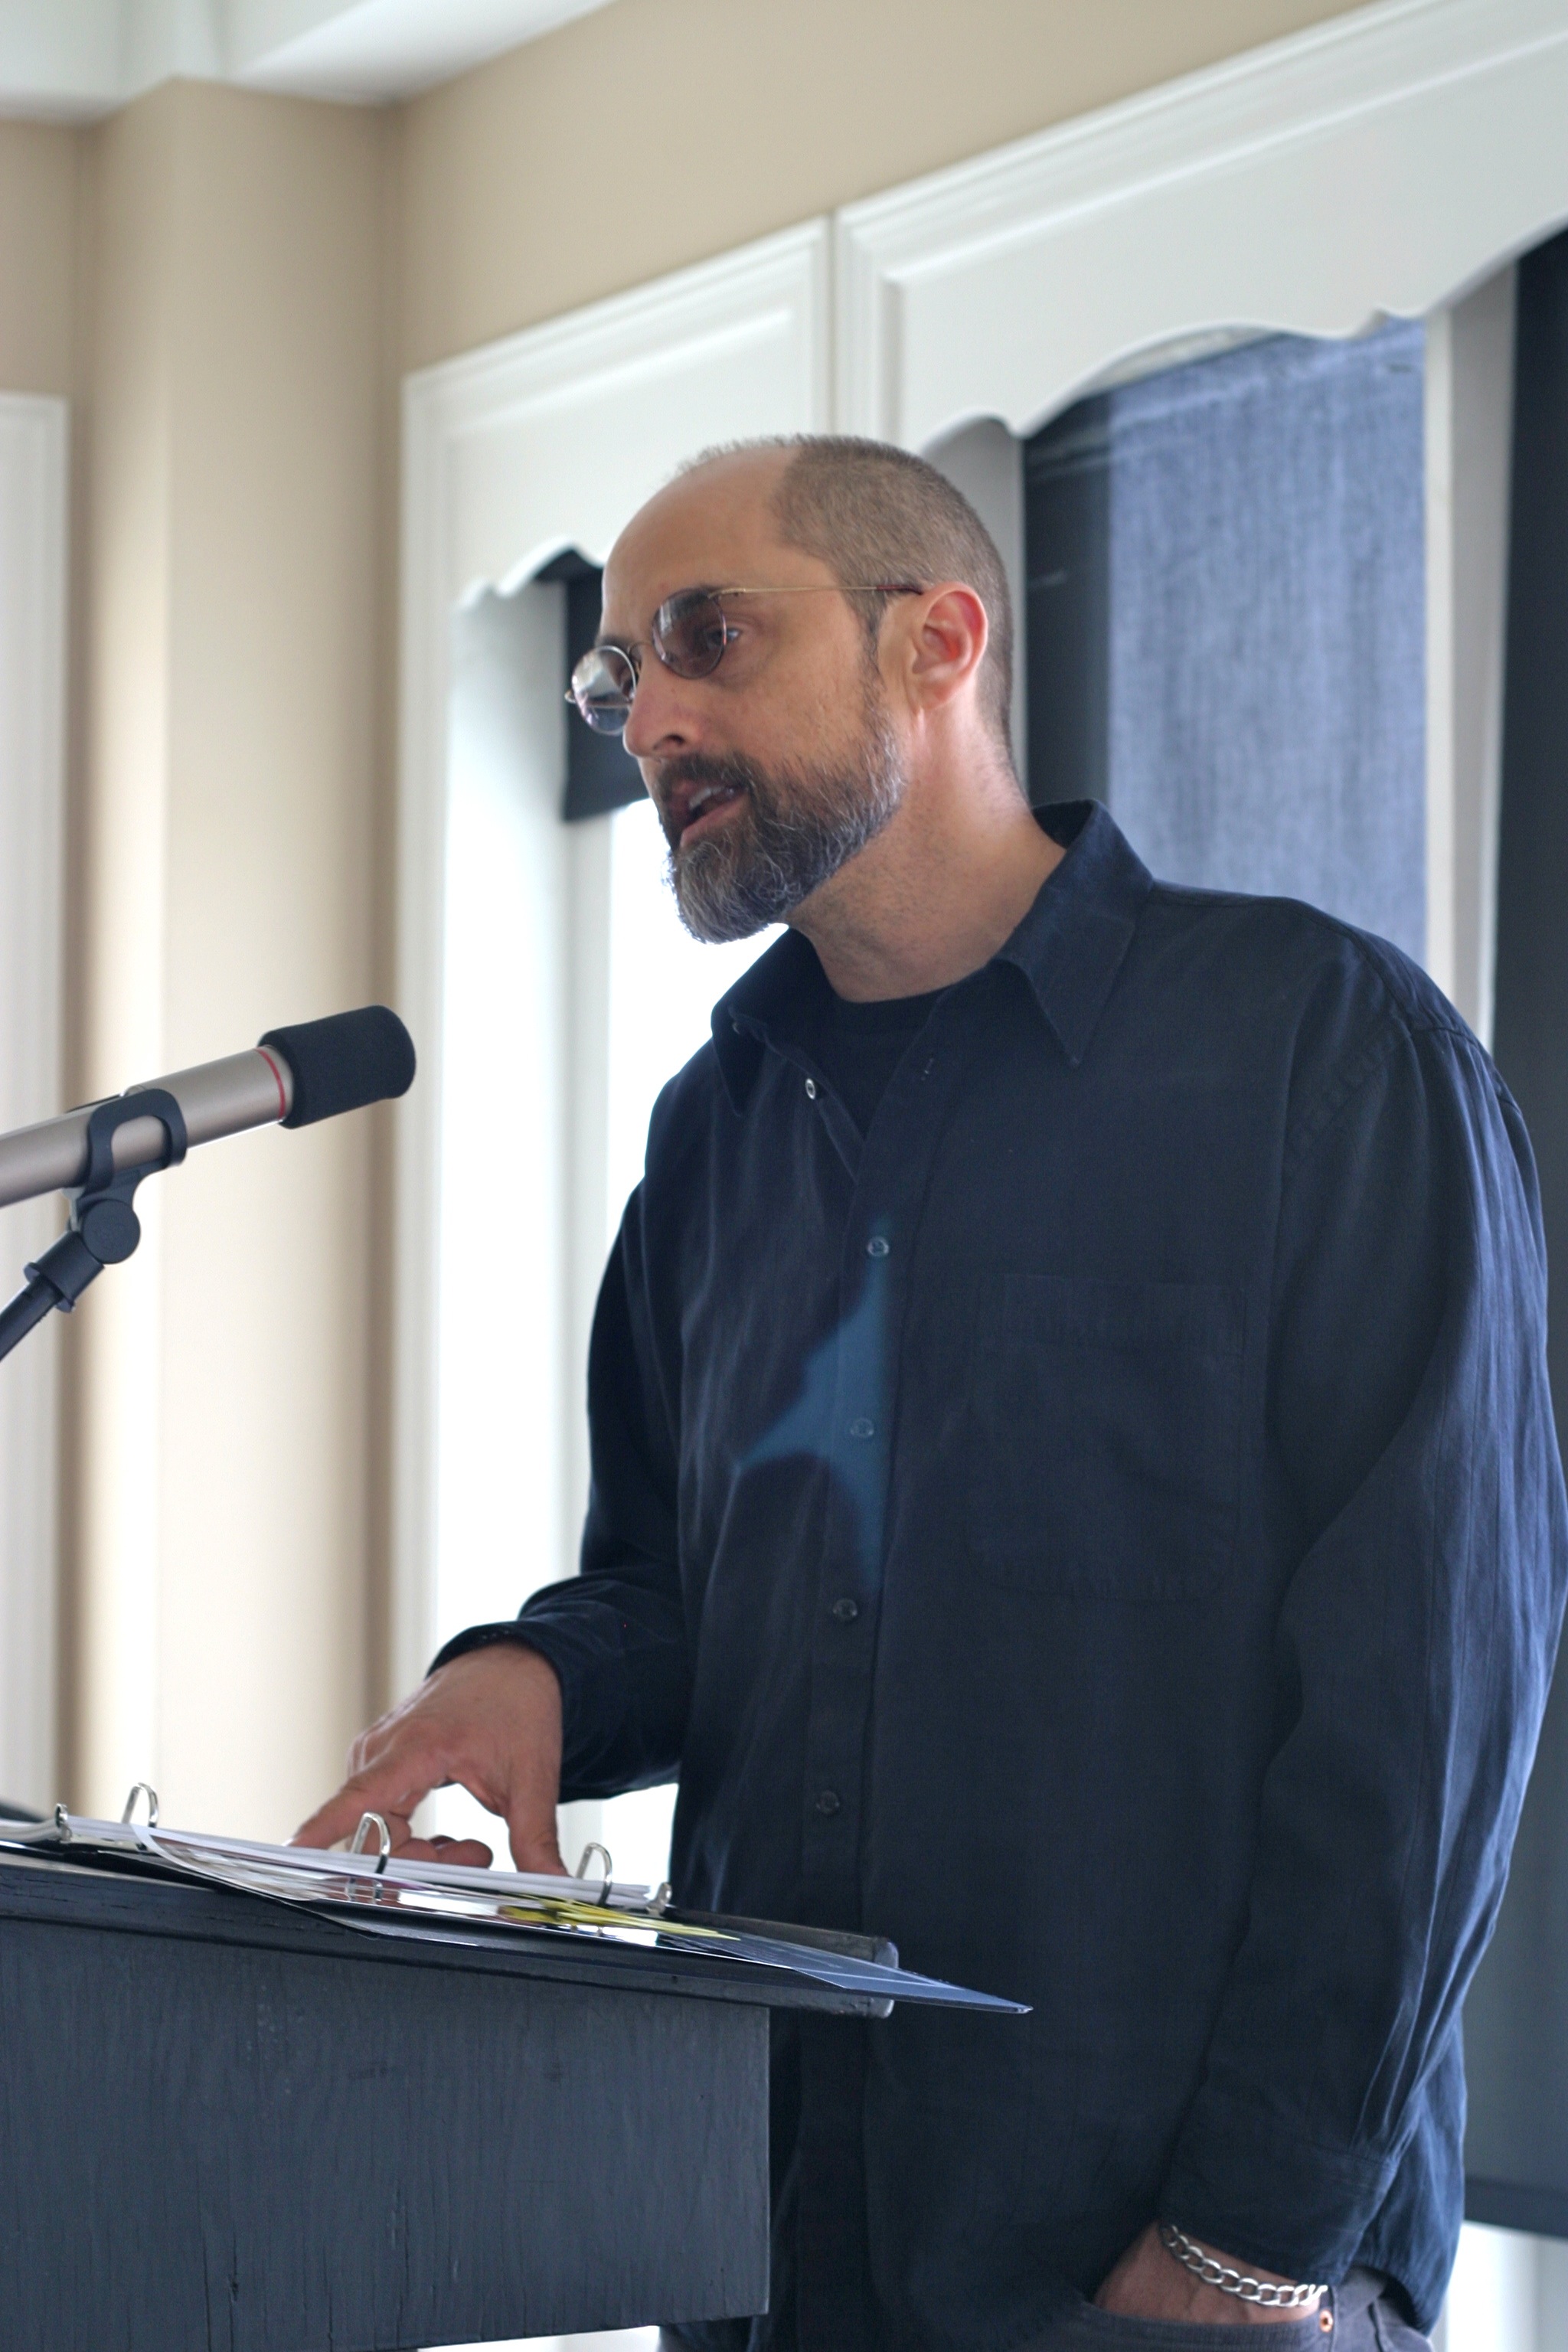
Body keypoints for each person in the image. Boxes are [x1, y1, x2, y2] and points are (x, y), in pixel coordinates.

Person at [297, 436, 1567, 2351]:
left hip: (1164, 2294)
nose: (651, 718)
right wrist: (542, 1669)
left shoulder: (1321, 1053)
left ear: (938, 640)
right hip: (752, 2259)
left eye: (706, 639)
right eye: (616, 674)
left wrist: (1241, 2252)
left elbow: (1435, 1699)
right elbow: (686, 1587)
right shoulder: (712, 1134)